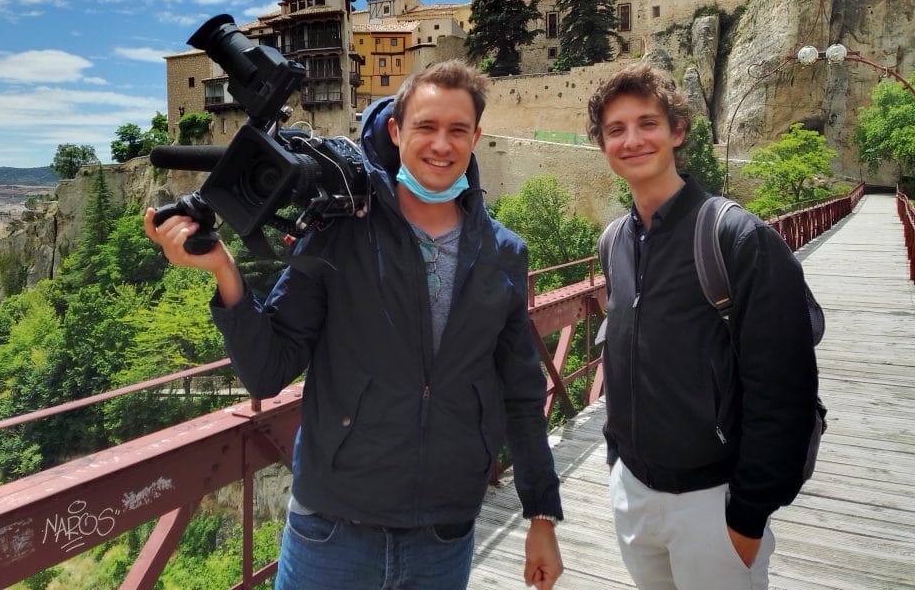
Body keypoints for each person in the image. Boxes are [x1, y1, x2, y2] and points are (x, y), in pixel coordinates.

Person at [145, 60, 564, 590]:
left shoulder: (504, 253)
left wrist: (542, 516)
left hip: (443, 533)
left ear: (476, 137)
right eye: (426, 127)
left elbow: (522, 395)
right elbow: (268, 370)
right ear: (396, 131)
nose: (442, 144)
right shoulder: (340, 233)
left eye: (457, 130)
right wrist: (225, 273)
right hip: (332, 530)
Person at [586, 63, 819, 590]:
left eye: (647, 123)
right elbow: (623, 356)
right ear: (601, 143)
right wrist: (616, 459)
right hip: (633, 494)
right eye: (615, 129)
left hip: (714, 503)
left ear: (678, 131)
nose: (632, 140)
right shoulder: (615, 242)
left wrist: (748, 516)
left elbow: (785, 390)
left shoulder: (737, 237)